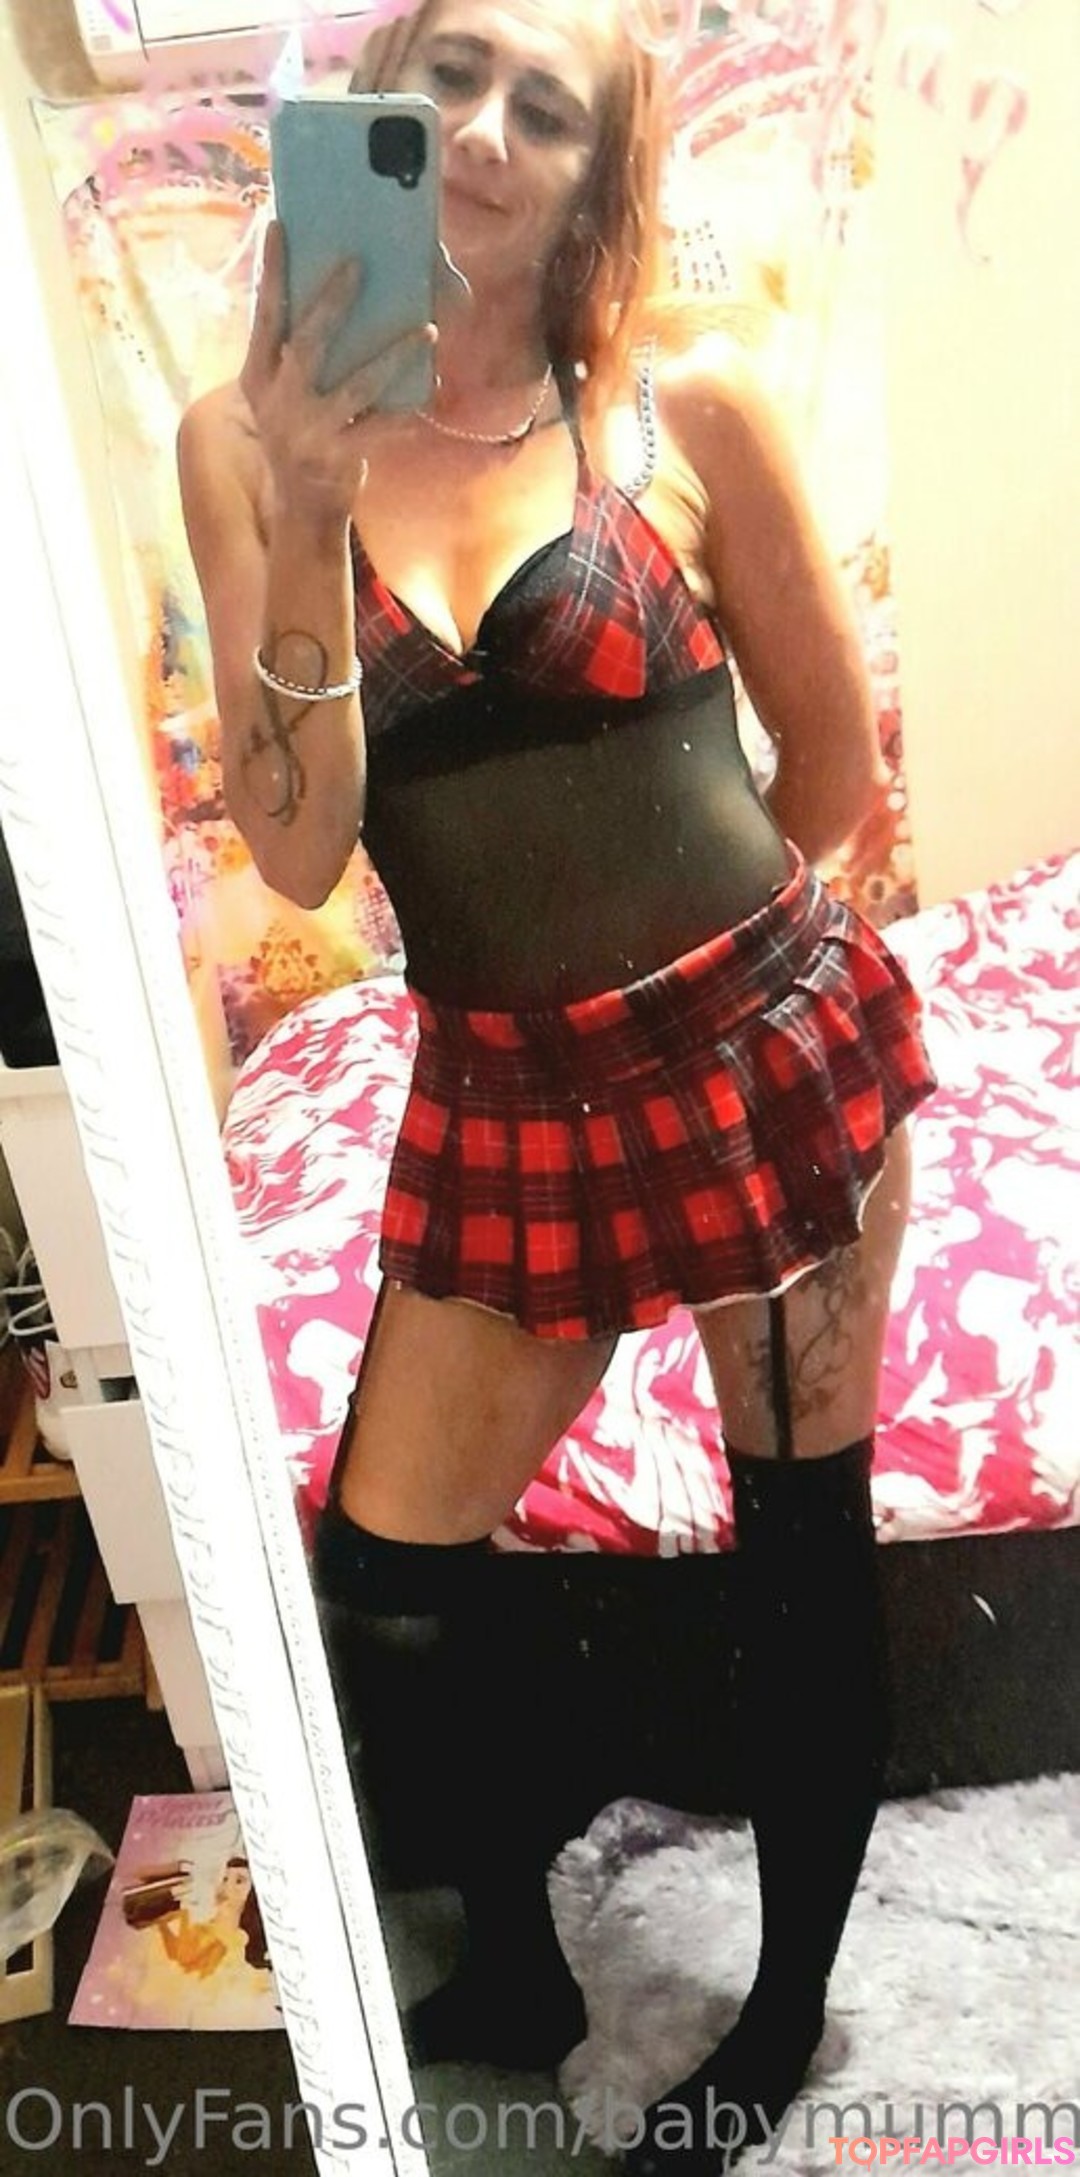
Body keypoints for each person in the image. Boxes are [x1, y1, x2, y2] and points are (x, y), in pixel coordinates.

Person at [178, 0, 936, 2166]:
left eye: (548, 107)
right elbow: (300, 850)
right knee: (386, 1578)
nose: (491, 132)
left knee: (799, 1560)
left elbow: (832, 769)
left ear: (600, 174)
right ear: (381, 104)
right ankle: (515, 1954)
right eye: (452, 77)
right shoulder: (242, 442)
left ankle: (777, 2023)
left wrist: (703, 978)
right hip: (505, 1102)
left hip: (760, 1061)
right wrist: (310, 504)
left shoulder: (684, 400)